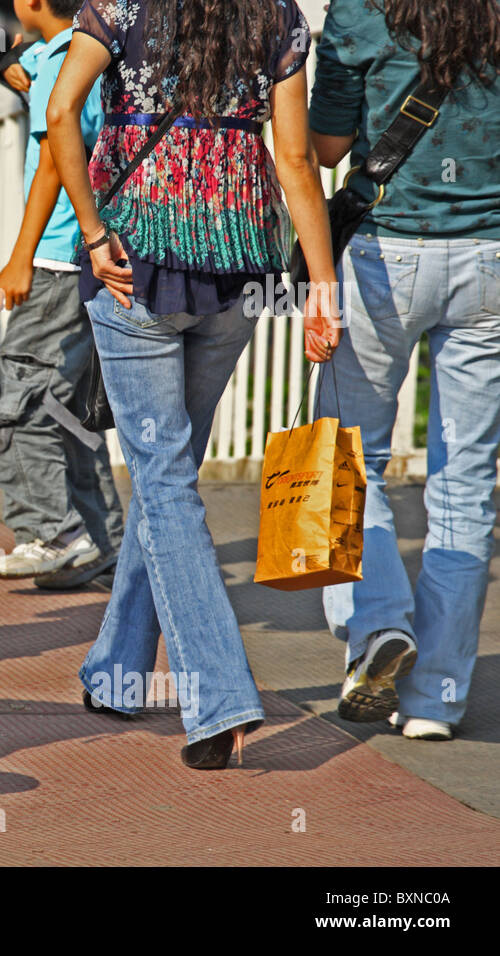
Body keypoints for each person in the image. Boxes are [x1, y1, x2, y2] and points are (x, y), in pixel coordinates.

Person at [45, 0, 339, 768]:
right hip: (240, 269)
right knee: (164, 475)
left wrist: (91, 225)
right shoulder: (277, 15)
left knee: (165, 481)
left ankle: (219, 699)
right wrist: (322, 287)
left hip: (131, 263)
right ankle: (117, 674)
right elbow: (297, 159)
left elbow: (62, 107)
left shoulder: (117, 6)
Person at [308, 0, 500, 742]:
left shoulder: (361, 10)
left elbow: (325, 147)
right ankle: (435, 701)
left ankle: (379, 624)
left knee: (353, 456)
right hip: (489, 256)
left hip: (388, 252)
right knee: (466, 485)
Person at [0, 0, 123, 587]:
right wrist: (14, 56)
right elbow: (18, 64)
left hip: (58, 258)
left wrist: (19, 258)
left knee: (12, 405)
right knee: (66, 405)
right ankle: (102, 541)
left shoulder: (60, 65)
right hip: (95, 259)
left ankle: (51, 532)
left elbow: (51, 166)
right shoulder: (88, 53)